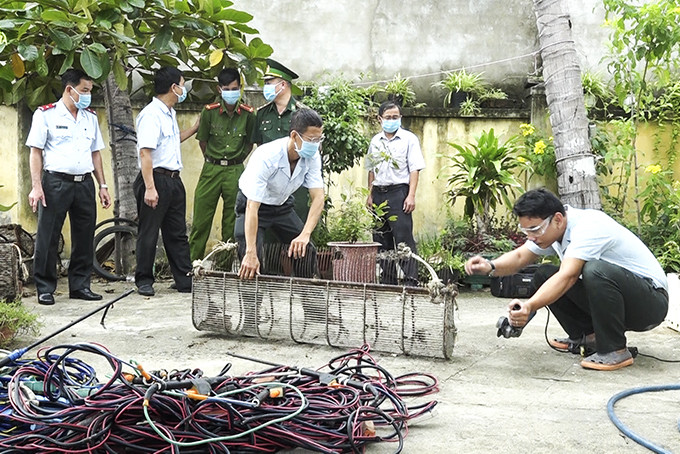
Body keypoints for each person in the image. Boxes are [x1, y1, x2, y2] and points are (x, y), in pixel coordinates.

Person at [464, 187, 669, 371]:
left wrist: (529, 306)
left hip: (650, 304)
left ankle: (614, 350)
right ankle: (588, 338)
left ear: (558, 219)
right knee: (544, 275)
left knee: (594, 270)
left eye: (534, 230)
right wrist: (490, 266)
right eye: (526, 231)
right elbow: (520, 256)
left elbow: (568, 276)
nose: (531, 236)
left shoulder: (589, 226)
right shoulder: (552, 230)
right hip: (621, 300)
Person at [26, 68, 111, 306]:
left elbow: (95, 154)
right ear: (69, 89)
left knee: (84, 236)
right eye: (84, 90)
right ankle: (45, 287)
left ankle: (80, 286)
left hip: (84, 183)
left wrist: (102, 185)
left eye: (90, 91)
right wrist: (36, 186)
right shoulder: (46, 115)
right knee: (48, 236)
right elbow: (35, 152)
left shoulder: (90, 117)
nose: (88, 95)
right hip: (55, 183)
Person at [235, 108, 325, 280]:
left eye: (319, 139)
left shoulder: (312, 156)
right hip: (254, 207)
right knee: (252, 260)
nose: (315, 144)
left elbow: (318, 197)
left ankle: (314, 306)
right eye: (311, 139)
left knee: (306, 252)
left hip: (282, 205)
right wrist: (251, 252)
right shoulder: (266, 156)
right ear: (294, 136)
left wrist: (305, 235)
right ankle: (250, 306)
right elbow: (252, 207)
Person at [133, 67, 198, 297]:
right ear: (174, 87)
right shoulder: (151, 114)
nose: (184, 89)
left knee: (177, 233)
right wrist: (150, 188)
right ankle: (144, 280)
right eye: (182, 84)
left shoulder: (168, 113)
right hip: (155, 179)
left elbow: (171, 141)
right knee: (149, 232)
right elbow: (145, 153)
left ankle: (184, 279)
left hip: (173, 180)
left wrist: (194, 128)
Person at [189, 68, 255, 262]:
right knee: (201, 220)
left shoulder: (248, 115)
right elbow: (203, 141)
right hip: (211, 169)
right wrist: (212, 160)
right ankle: (191, 267)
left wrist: (236, 161)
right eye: (227, 88)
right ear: (219, 89)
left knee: (231, 222)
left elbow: (249, 144)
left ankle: (224, 269)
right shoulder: (209, 112)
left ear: (240, 88)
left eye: (234, 88)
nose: (231, 92)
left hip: (235, 170)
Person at [365, 100, 425, 286]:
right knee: (381, 237)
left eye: (395, 117)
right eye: (388, 117)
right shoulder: (375, 141)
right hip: (379, 193)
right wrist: (370, 194)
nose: (392, 120)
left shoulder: (409, 139)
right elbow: (371, 169)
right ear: (379, 119)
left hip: (399, 193)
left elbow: (414, 169)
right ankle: (388, 278)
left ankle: (410, 279)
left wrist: (411, 195)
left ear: (400, 118)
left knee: (403, 236)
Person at [252, 58, 310, 223]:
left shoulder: (302, 115)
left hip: (294, 183)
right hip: (268, 183)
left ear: (283, 85)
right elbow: (258, 145)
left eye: (270, 82)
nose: (266, 87)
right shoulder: (262, 114)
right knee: (267, 236)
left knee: (295, 233)